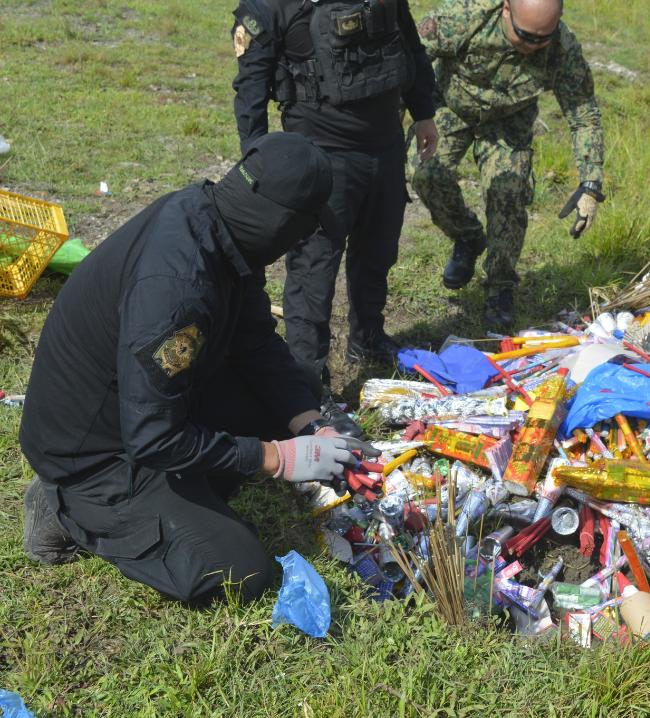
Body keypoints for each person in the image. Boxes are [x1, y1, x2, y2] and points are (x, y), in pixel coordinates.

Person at [20, 133, 375, 605]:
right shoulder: (177, 290)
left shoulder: (216, 224)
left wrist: (310, 424)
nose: (304, 242)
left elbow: (255, 342)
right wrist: (275, 457)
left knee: (293, 392)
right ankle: (64, 508)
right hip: (95, 454)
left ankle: (187, 489)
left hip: (135, 410)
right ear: (282, 223)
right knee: (240, 569)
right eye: (305, 229)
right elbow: (152, 437)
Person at [230, 0, 438, 379]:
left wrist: (424, 112)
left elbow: (407, 43)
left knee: (378, 252)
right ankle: (307, 376)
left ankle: (368, 338)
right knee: (314, 269)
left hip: (386, 146)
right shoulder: (272, 7)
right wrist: (259, 164)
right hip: (321, 155)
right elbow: (251, 88)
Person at [411, 0, 605, 329]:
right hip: (450, 106)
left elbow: (583, 113)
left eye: (542, 38)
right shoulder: (464, 16)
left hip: (508, 123)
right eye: (525, 36)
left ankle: (500, 286)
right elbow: (410, 58)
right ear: (505, 10)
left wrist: (591, 182)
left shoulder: (562, 46)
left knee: (509, 194)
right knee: (426, 175)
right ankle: (469, 237)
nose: (533, 47)